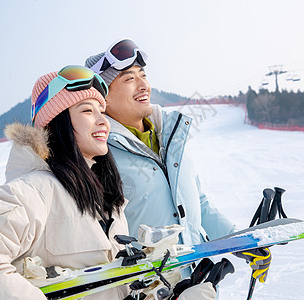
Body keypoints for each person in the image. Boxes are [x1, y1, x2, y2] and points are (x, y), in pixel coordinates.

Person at [0, 65, 230, 300]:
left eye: (102, 112)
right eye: (88, 111)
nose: (103, 121)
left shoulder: (107, 203)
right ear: (58, 124)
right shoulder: (32, 191)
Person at [85, 38, 271, 283]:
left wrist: (240, 242)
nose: (143, 85)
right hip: (148, 290)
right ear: (103, 97)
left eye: (143, 75)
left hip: (196, 285)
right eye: (129, 79)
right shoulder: (97, 154)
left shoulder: (172, 138)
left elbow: (200, 205)